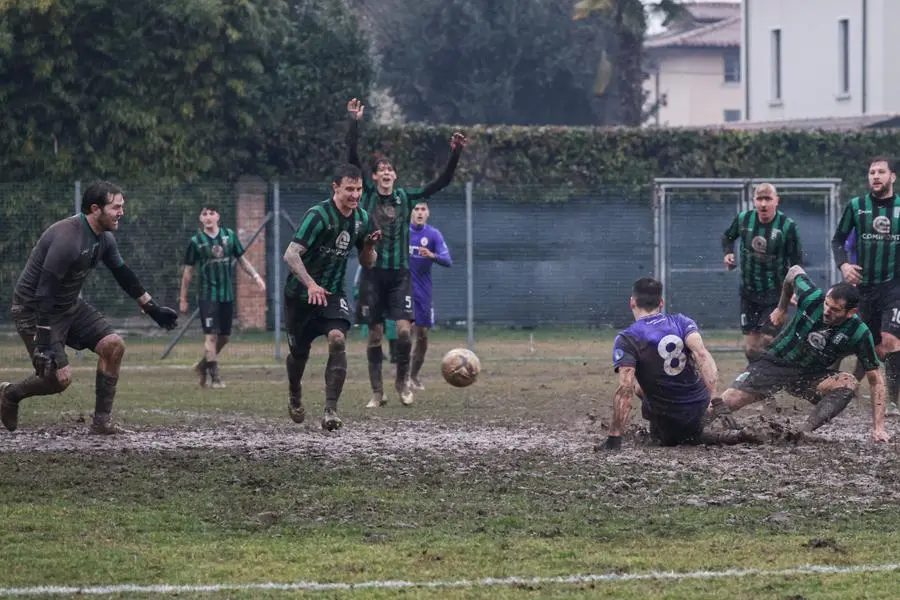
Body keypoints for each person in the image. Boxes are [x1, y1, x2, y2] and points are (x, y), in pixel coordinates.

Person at [0, 181, 179, 434]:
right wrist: (43, 342)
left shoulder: (104, 238)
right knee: (57, 380)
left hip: (69, 306)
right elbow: (44, 292)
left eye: (122, 207)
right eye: (116, 207)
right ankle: (10, 394)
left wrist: (152, 309)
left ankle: (101, 423)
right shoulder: (67, 239)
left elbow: (123, 274)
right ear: (96, 209)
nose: (122, 213)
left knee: (113, 346)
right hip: (36, 310)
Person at [345, 97, 466, 408]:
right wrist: (354, 122)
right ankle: (376, 393)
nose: (386, 173)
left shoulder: (406, 197)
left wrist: (455, 153)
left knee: (401, 332)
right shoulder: (368, 195)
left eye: (390, 170)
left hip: (400, 276)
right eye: (381, 170)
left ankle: (401, 383)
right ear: (373, 178)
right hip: (372, 275)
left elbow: (442, 182)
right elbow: (351, 157)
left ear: (395, 176)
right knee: (373, 336)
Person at [711, 265, 890, 443]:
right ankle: (690, 428)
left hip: (809, 378)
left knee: (849, 382)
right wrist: (782, 308)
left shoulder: (859, 332)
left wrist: (878, 428)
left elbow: (876, 379)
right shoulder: (812, 297)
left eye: (835, 310)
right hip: (774, 363)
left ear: (851, 313)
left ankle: (803, 432)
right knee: (727, 402)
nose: (827, 311)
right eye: (827, 304)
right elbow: (793, 271)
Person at [601, 277, 762, 450]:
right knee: (640, 388)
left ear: (632, 302)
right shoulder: (682, 322)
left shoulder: (627, 338)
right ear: (661, 302)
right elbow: (702, 355)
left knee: (663, 428)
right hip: (699, 407)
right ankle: (707, 431)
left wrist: (614, 437)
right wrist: (716, 399)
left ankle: (718, 436)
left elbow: (625, 389)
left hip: (669, 418)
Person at [281, 164, 381, 431]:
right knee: (299, 354)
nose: (355, 194)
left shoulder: (362, 219)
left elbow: (368, 262)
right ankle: (294, 392)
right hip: (300, 295)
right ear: (335, 187)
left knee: (337, 339)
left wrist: (369, 246)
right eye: (349, 189)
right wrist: (311, 284)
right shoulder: (318, 215)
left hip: (333, 293)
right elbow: (291, 255)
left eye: (359, 189)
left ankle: (330, 411)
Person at [831, 157, 900, 413]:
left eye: (881, 172)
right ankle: (837, 390)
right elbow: (838, 241)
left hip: (894, 287)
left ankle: (893, 401)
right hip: (864, 289)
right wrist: (844, 266)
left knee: (891, 340)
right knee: (863, 343)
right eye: (871, 172)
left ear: (892, 177)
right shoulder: (856, 206)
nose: (875, 176)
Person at [179, 203, 266, 388]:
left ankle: (203, 365)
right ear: (201, 218)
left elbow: (242, 260)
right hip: (207, 296)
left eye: (212, 213)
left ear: (218, 216)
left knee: (224, 337)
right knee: (210, 336)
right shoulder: (196, 242)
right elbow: (188, 272)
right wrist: (183, 298)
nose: (208, 216)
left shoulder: (229, 236)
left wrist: (256, 276)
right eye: (204, 213)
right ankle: (215, 378)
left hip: (226, 295)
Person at [722, 182, 803, 363]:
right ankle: (756, 382)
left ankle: (780, 371)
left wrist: (796, 289)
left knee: (767, 340)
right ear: (754, 201)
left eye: (768, 199)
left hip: (776, 294)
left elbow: (796, 261)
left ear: (777, 201)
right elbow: (728, 236)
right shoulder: (744, 219)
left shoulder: (787, 226)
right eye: (759, 199)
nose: (763, 204)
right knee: (751, 349)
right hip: (748, 293)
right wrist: (728, 253)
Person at [408, 201, 452, 390]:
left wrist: (432, 255)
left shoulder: (433, 234)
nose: (419, 212)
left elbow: (448, 260)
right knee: (405, 332)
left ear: (428, 213)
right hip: (404, 289)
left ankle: (414, 375)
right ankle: (403, 376)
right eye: (416, 209)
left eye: (423, 209)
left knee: (422, 335)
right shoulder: (403, 233)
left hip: (423, 291)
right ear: (411, 212)